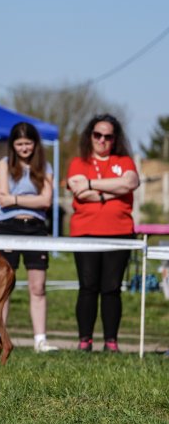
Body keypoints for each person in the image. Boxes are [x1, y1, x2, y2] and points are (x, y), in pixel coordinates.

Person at [66, 114, 139, 353]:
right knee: (88, 286)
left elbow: (130, 183)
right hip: (85, 232)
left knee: (112, 288)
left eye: (108, 136)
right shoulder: (79, 162)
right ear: (90, 136)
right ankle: (85, 340)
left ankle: (111, 342)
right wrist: (114, 188)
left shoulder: (125, 161)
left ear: (115, 139)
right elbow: (78, 191)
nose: (102, 140)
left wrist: (91, 184)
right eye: (97, 135)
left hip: (120, 232)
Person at [0, 122, 57, 353]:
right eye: (19, 144)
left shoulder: (45, 166)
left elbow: (46, 201)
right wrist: (30, 199)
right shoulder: (4, 164)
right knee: (3, 285)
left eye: (28, 143)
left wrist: (15, 199)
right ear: (13, 145)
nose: (24, 148)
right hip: (7, 227)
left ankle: (40, 339)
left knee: (38, 286)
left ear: (35, 143)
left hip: (36, 228)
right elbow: (2, 199)